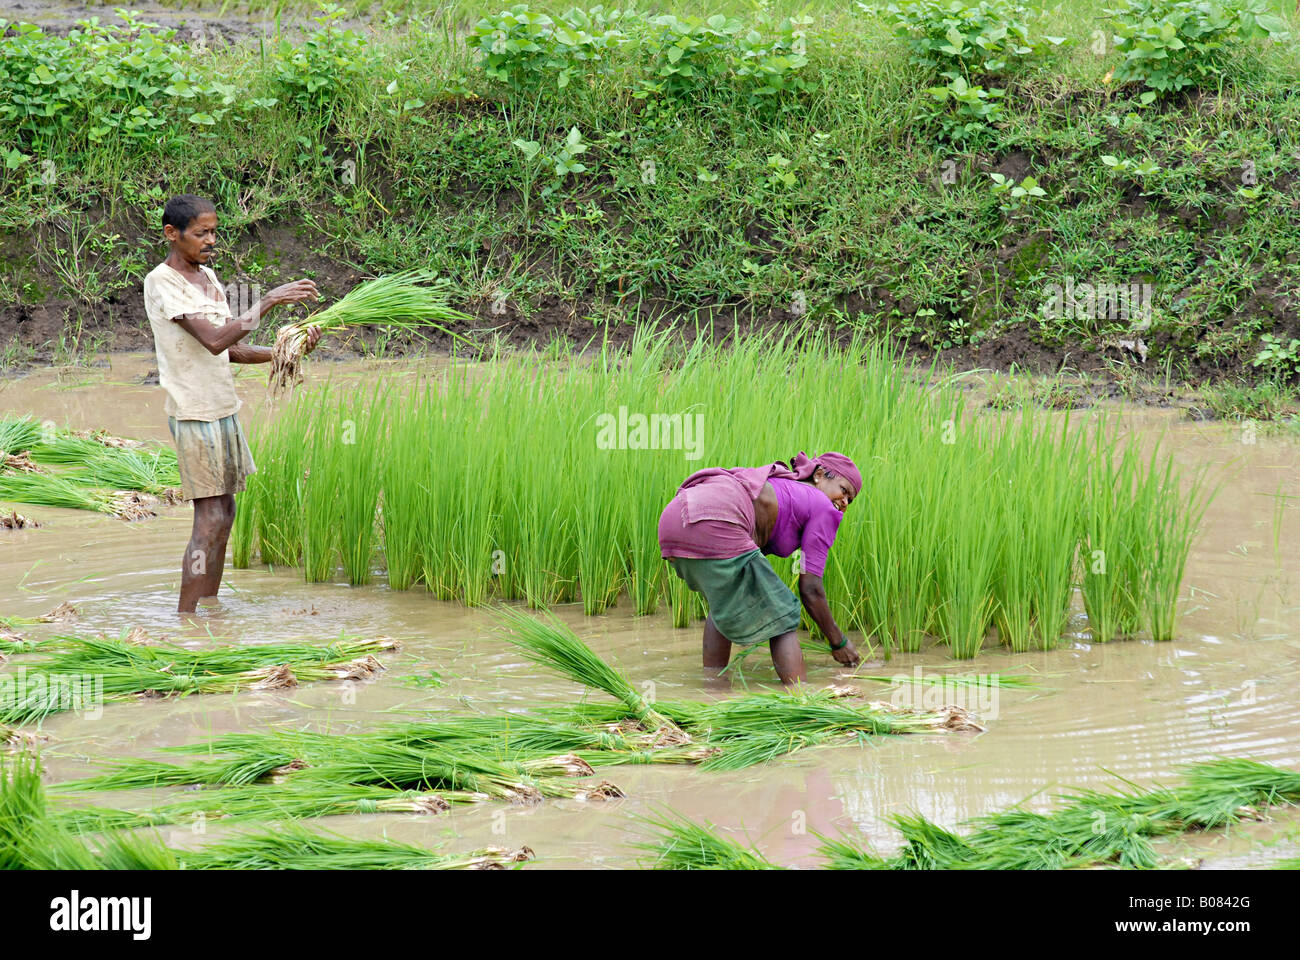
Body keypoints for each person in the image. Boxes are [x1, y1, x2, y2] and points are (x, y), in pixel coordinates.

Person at [143, 194, 321, 613]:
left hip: (224, 408)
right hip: (194, 412)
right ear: (173, 233)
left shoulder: (209, 278)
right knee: (208, 521)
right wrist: (270, 300)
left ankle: (210, 609)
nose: (210, 241)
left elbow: (230, 351)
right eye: (201, 233)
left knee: (225, 514)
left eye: (214, 232)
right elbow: (215, 339)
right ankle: (186, 620)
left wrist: (288, 350)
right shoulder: (162, 281)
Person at [658, 451, 863, 686]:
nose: (844, 503)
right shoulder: (823, 507)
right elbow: (811, 588)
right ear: (818, 475)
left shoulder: (781, 487)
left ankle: (713, 691)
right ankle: (801, 701)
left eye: (850, 500)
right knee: (783, 613)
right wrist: (838, 642)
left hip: (674, 520)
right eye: (844, 490)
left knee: (726, 600)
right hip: (714, 519)